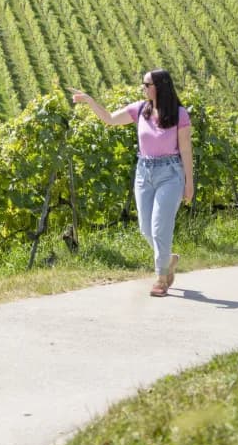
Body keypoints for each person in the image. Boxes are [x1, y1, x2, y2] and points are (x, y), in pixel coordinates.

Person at [71, 70, 194, 297]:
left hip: (170, 174)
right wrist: (89, 100)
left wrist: (189, 183)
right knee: (146, 228)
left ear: (159, 86)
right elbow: (109, 119)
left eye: (146, 84)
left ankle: (161, 278)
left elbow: (186, 149)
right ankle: (168, 259)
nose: (143, 88)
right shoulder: (140, 109)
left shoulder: (179, 114)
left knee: (159, 227)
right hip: (144, 173)